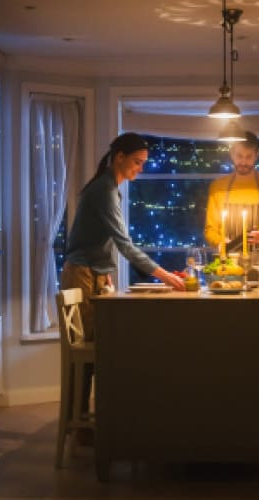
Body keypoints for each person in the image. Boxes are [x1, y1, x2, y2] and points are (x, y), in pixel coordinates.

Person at [61, 132, 184, 441]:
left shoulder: (109, 188)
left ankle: (96, 422)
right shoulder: (104, 189)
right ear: (120, 157)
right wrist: (167, 276)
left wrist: (105, 271)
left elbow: (99, 239)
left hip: (94, 271)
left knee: (102, 346)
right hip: (81, 273)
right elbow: (124, 245)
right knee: (95, 350)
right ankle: (84, 428)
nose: (140, 168)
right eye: (137, 162)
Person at [204, 131, 259, 273]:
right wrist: (220, 243)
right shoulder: (218, 187)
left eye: (249, 156)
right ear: (232, 154)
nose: (243, 162)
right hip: (228, 265)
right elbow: (210, 230)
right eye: (239, 156)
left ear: (257, 155)